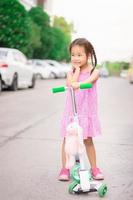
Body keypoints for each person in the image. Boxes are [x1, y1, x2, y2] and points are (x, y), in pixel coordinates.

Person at [58, 38, 104, 181]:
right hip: (72, 112)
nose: (75, 58)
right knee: (67, 139)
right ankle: (65, 168)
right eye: (73, 55)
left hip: (86, 112)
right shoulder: (71, 72)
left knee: (88, 140)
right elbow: (71, 84)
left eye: (79, 55)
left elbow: (88, 82)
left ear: (88, 55)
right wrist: (76, 71)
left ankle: (95, 168)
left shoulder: (93, 72)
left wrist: (80, 83)